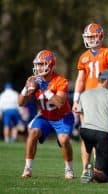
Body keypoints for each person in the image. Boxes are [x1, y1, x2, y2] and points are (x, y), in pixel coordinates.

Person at [19, 50, 74, 179]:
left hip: (62, 117)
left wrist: (45, 89)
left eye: (42, 64)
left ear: (50, 65)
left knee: (64, 139)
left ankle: (69, 169)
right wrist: (26, 88)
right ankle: (28, 168)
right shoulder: (35, 81)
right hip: (45, 116)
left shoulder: (61, 81)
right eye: (37, 64)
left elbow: (59, 103)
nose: (38, 68)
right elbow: (20, 103)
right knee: (33, 132)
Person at [72, 23, 108, 178]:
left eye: (93, 36)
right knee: (86, 134)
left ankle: (97, 168)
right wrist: (76, 99)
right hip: (87, 98)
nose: (90, 39)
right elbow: (80, 79)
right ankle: (86, 168)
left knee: (102, 132)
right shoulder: (84, 56)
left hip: (104, 97)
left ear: (100, 36)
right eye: (88, 37)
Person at [76, 70, 108, 183]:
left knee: (87, 144)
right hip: (104, 133)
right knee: (105, 176)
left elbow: (80, 114)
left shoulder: (84, 94)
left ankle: (85, 170)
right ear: (107, 80)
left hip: (86, 131)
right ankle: (93, 172)